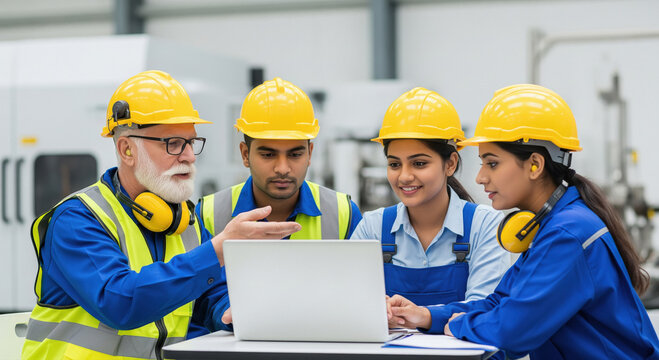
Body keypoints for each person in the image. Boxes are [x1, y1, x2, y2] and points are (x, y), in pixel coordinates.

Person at [21, 70, 301, 360]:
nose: (189, 157)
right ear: (127, 149)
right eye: (173, 144)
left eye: (191, 143)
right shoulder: (77, 221)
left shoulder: (184, 221)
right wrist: (217, 249)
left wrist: (234, 313)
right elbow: (120, 301)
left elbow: (210, 297)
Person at [387, 84, 659, 359]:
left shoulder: (567, 234)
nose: (480, 177)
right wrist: (425, 316)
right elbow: (499, 302)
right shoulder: (552, 226)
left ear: (535, 165)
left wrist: (455, 324)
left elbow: (511, 331)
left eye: (491, 163)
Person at [196, 77, 362, 327]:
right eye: (268, 154)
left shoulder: (343, 213)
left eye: (295, 154)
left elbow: (360, 299)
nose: (283, 168)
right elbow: (196, 308)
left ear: (310, 154)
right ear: (244, 154)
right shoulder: (208, 213)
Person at [351, 87, 509, 314]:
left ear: (450, 164)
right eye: (395, 164)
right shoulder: (372, 228)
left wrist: (421, 316)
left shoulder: (484, 225)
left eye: (419, 163)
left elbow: (484, 310)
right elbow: (354, 306)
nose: (404, 176)